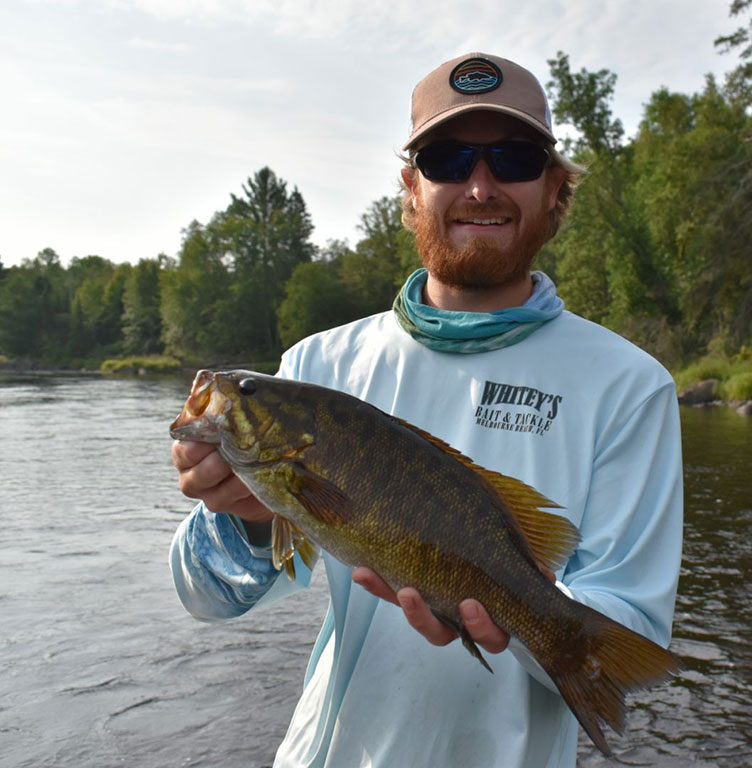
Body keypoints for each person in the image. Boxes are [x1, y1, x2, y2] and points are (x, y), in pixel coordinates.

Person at [170, 52, 684, 768]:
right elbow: (206, 599)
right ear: (410, 188)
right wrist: (248, 522)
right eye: (446, 158)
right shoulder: (318, 367)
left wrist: (503, 610)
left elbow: (625, 625)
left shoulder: (629, 386)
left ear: (555, 189)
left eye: (513, 157)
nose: (480, 185)